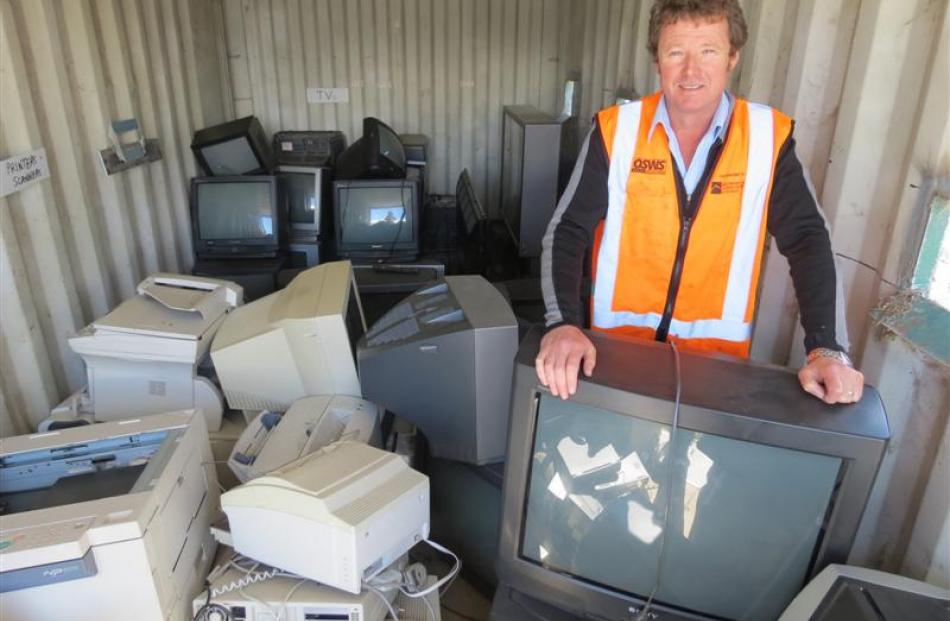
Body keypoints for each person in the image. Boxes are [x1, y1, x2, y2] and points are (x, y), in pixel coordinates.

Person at [537, 0, 864, 404]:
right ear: (657, 60)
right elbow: (568, 230)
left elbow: (808, 240)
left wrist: (827, 348)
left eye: (708, 50)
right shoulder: (615, 132)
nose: (691, 71)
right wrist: (563, 324)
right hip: (614, 360)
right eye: (676, 52)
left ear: (732, 56)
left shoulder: (766, 140)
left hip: (713, 372)